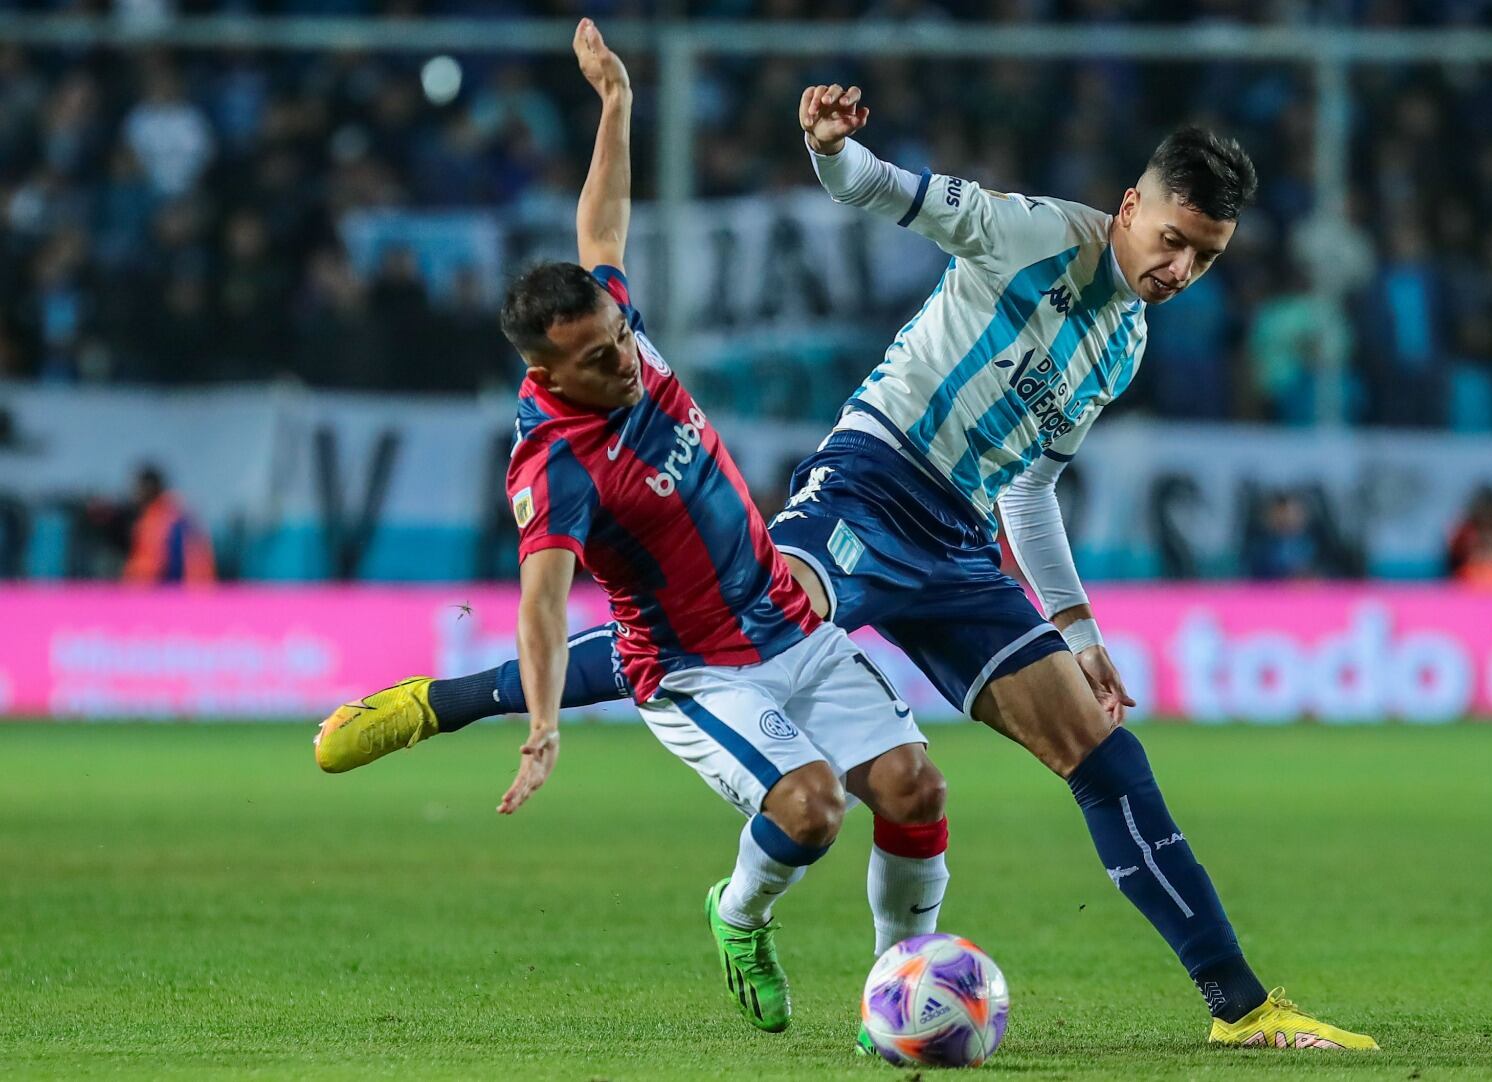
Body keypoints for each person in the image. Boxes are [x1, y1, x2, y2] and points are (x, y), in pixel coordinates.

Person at [331, 82, 1377, 1052]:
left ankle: (1239, 1007)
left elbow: (1031, 487)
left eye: (1205, 255)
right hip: (871, 486)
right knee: (726, 623)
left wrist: (1074, 626)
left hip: (962, 546)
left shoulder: (1124, 343)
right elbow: (892, 193)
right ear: (1130, 204)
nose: (1180, 270)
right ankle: (455, 698)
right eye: (1172, 240)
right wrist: (834, 149)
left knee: (1106, 756)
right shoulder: (1032, 234)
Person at [314, 23, 949, 1038]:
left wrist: (616, 105)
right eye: (600, 361)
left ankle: (900, 995)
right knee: (812, 806)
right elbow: (540, 604)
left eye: (619, 342)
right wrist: (543, 724)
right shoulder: (553, 463)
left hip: (788, 617)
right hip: (700, 673)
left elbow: (599, 233)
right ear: (543, 372)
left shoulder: (608, 320)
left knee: (914, 786)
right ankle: (736, 911)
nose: (625, 363)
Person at [121, 464, 215, 585]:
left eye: (138, 488)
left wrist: (127, 582)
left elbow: (150, 567)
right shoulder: (180, 513)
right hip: (192, 590)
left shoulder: (158, 519)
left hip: (170, 593)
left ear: (149, 488)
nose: (135, 494)